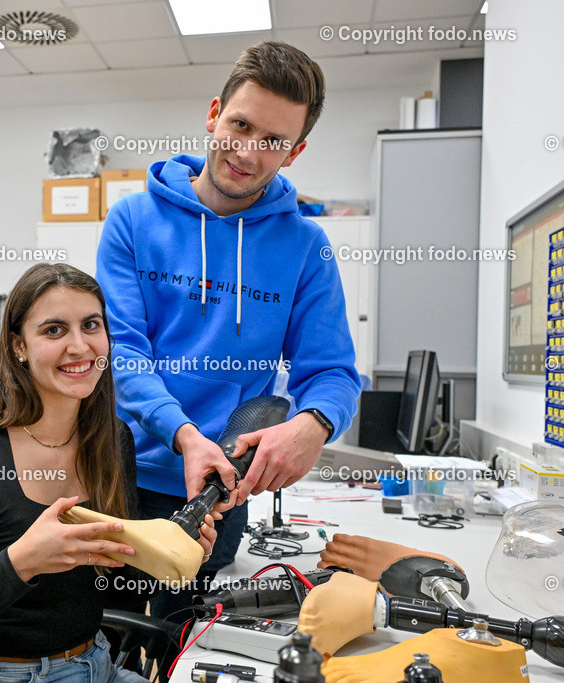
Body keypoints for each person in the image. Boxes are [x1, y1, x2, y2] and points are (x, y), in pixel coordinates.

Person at [96, 41, 361, 618]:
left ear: (295, 151)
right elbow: (122, 352)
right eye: (240, 125)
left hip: (222, 492)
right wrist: (184, 436)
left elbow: (333, 371)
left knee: (188, 645)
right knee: (105, 638)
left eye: (273, 141)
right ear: (214, 114)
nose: (247, 152)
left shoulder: (306, 247)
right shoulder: (133, 221)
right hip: (120, 474)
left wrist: (312, 424)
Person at [0, 263, 218, 682]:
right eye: (54, 330)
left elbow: (104, 583)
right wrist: (22, 562)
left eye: (91, 325)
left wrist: (175, 555)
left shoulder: (110, 439)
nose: (79, 346)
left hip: (96, 663)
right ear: (19, 347)